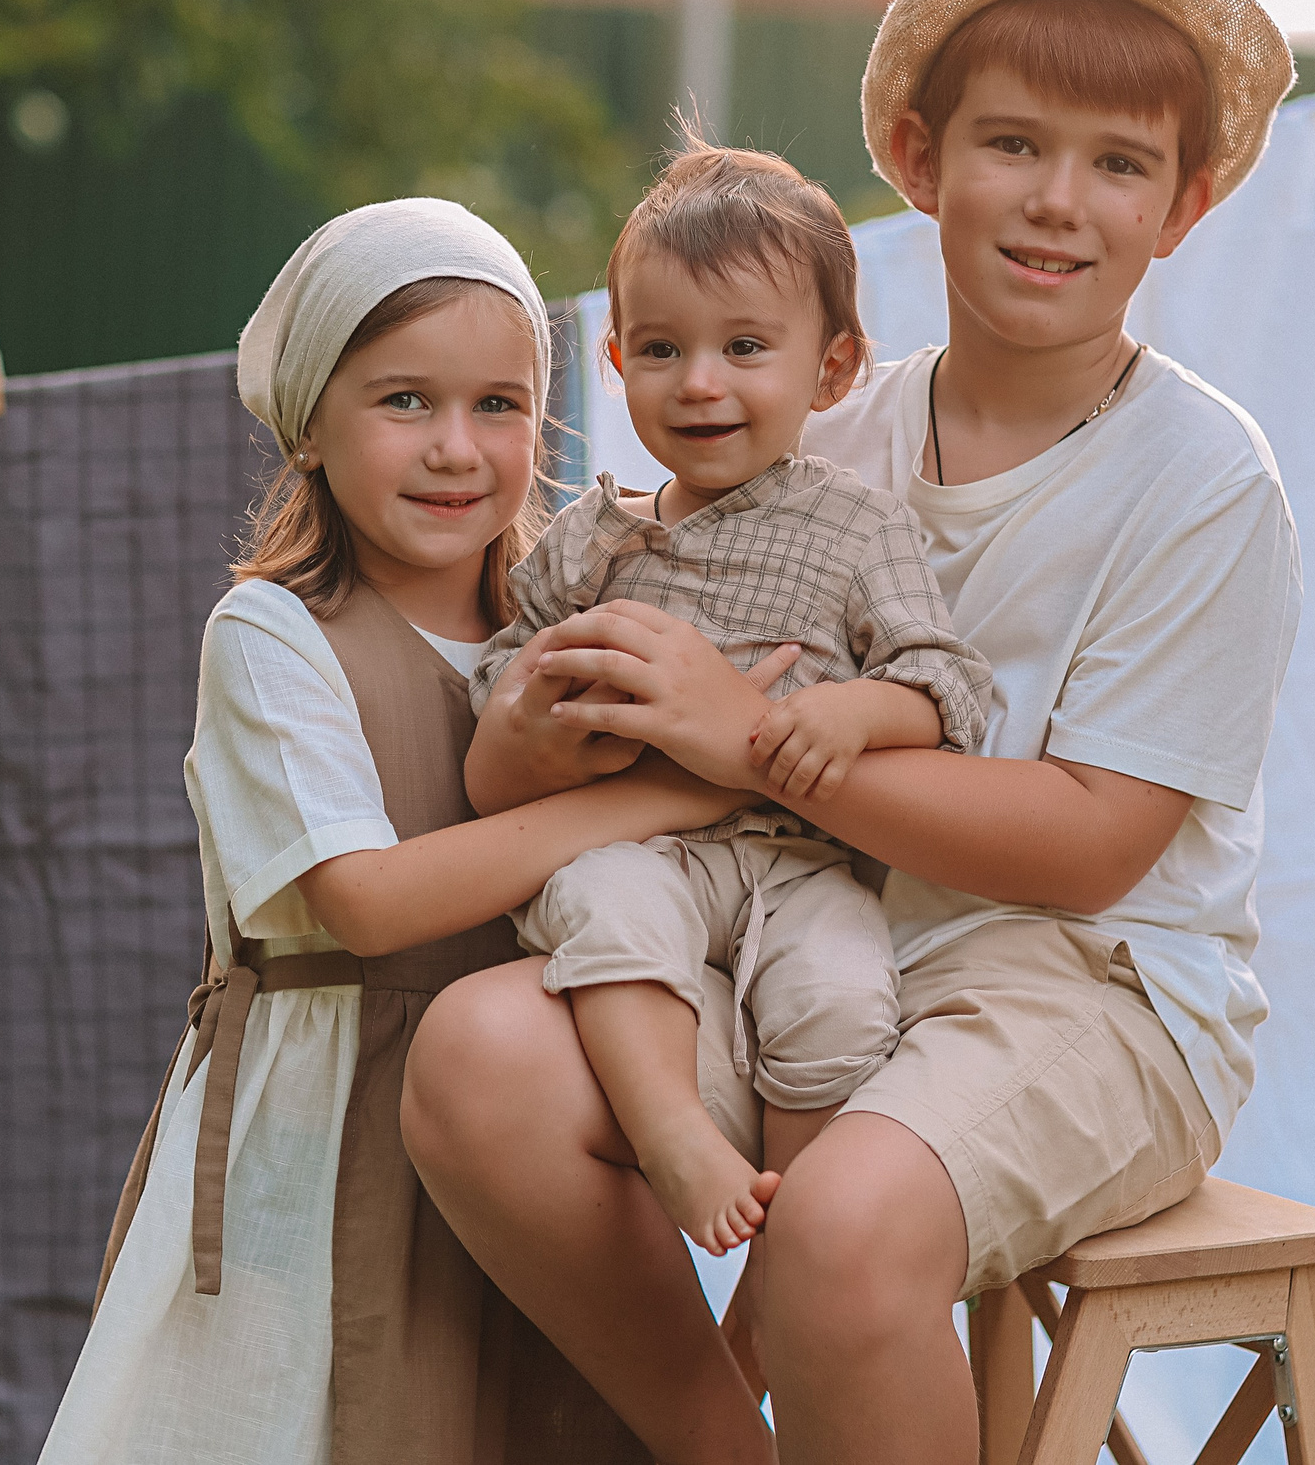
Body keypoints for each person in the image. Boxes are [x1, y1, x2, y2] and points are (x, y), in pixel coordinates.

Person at [402, 0, 1305, 1463]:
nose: (1056, 201)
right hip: (808, 930)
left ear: (1187, 203)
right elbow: (649, 707)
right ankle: (715, 1441)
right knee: (473, 1056)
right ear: (916, 155)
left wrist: (745, 732)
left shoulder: (1203, 478)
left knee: (840, 1224)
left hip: (1093, 987)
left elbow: (1096, 841)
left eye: (1120, 163)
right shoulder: (817, 433)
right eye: (1014, 142)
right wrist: (558, 716)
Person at [38, 199, 775, 1465]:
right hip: (331, 1127)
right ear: (312, 426)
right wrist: (663, 793)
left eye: (496, 406)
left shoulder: (575, 617)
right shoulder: (274, 636)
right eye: (403, 403)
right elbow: (363, 901)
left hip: (535, 1123)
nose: (454, 449)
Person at [464, 143, 991, 1257]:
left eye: (744, 347)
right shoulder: (594, 536)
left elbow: (949, 685)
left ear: (833, 370)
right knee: (608, 913)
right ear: (614, 361)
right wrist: (540, 715)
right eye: (660, 350)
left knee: (846, 998)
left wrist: (857, 714)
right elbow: (500, 676)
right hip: (643, 845)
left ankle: (789, 1251)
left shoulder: (858, 527)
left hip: (803, 857)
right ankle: (671, 1136)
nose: (699, 382)